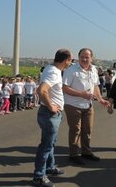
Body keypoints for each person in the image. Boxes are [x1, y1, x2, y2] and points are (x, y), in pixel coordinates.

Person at [32, 49, 74, 187]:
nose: (71, 63)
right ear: (66, 60)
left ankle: (50, 167)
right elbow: (41, 90)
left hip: (50, 113)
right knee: (46, 145)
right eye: (71, 60)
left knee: (51, 143)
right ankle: (39, 176)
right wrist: (51, 106)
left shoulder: (51, 69)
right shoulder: (54, 72)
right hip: (50, 114)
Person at [62, 48, 110, 165]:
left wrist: (100, 99)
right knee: (75, 130)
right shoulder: (71, 70)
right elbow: (65, 87)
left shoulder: (93, 69)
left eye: (87, 57)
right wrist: (81, 94)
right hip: (73, 105)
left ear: (91, 58)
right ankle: (74, 154)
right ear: (78, 57)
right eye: (82, 57)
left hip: (88, 105)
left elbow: (95, 86)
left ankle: (86, 152)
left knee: (87, 129)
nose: (84, 59)